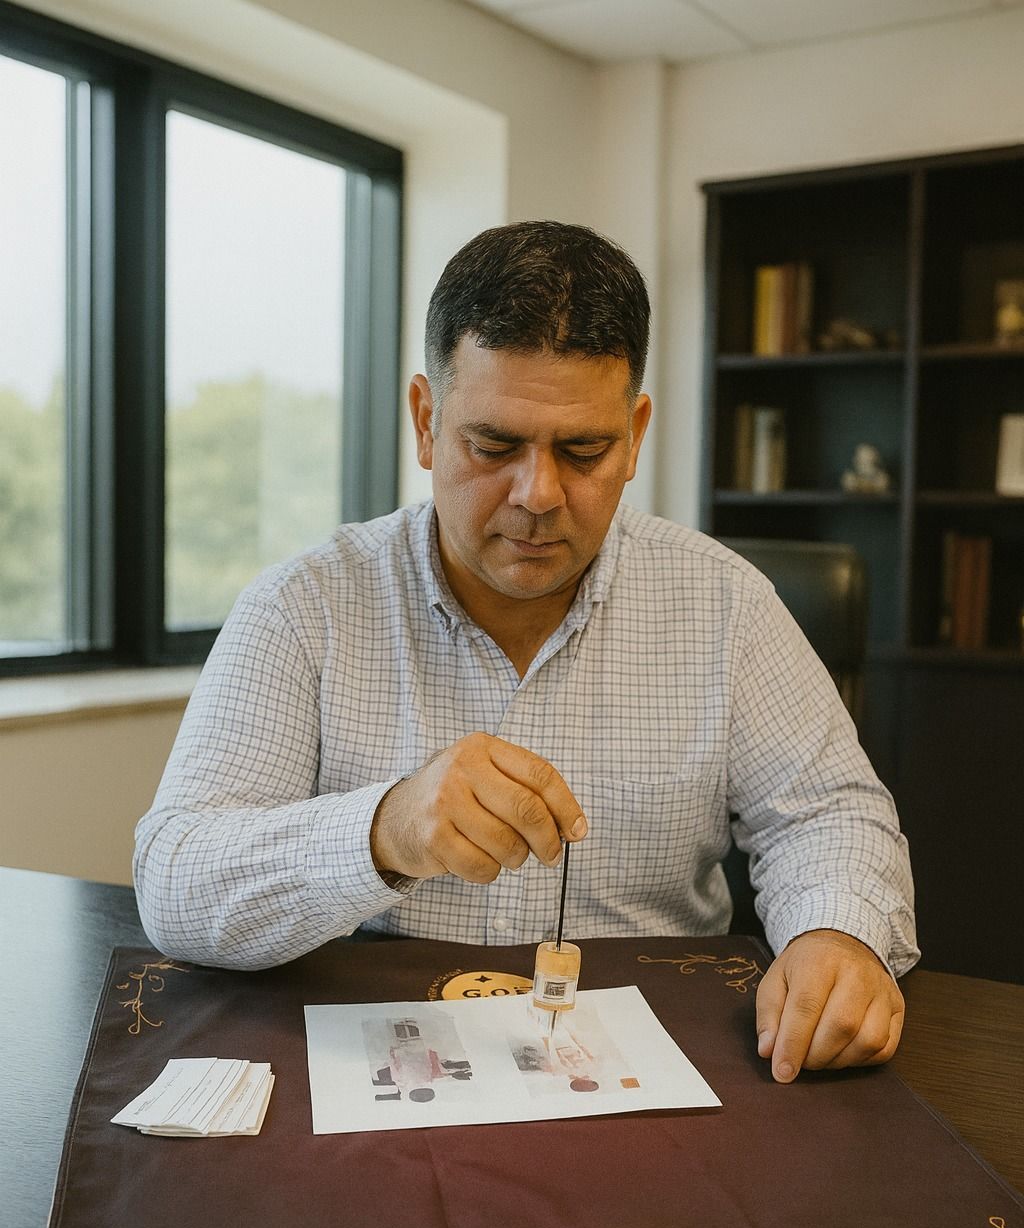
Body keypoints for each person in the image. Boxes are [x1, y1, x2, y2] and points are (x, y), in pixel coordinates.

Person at [134, 221, 919, 1084]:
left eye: (584, 451)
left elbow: (829, 814)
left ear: (636, 435)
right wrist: (386, 829)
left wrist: (835, 933)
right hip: (386, 1064)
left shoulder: (725, 604)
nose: (539, 495)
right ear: (427, 423)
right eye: (495, 446)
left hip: (656, 1059)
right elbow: (177, 878)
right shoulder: (305, 606)